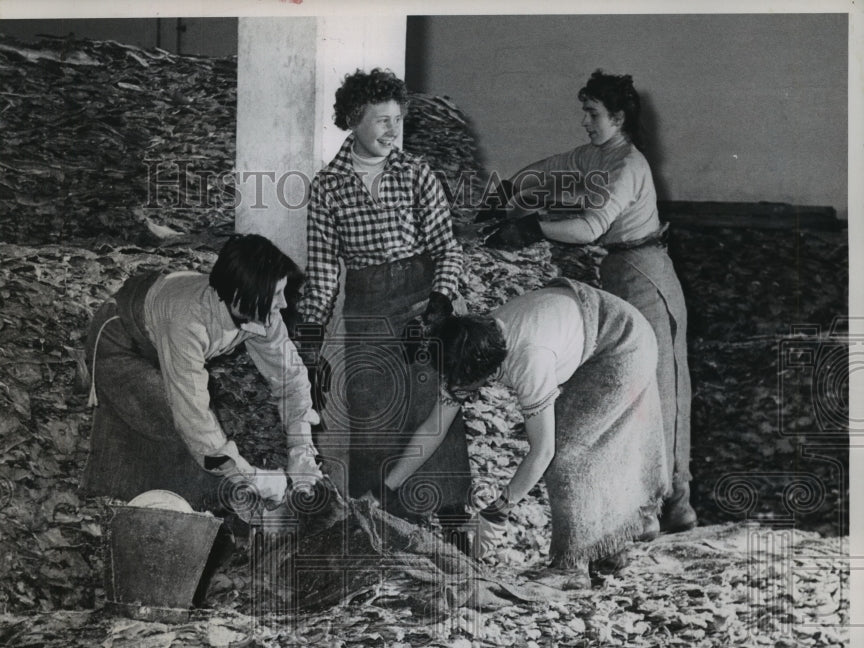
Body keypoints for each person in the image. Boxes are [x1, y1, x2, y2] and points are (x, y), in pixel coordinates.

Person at [481, 69, 696, 536]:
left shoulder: (627, 165)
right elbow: (552, 168)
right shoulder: (596, 156)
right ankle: (639, 504)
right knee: (626, 389)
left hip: (646, 275)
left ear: (618, 118)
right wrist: (506, 191)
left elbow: (590, 228)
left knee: (661, 391)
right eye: (584, 111)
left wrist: (532, 226)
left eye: (593, 113)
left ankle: (671, 505)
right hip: (618, 273)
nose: (585, 121)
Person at [383, 277, 669, 590]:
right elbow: (432, 430)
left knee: (568, 452)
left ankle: (570, 567)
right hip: (588, 326)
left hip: (621, 341)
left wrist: (498, 511)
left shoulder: (529, 360)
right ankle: (612, 550)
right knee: (582, 444)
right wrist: (388, 486)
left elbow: (542, 450)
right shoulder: (469, 345)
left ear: (491, 374)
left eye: (466, 387)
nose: (460, 392)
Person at [294, 67, 472, 537]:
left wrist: (440, 301)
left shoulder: (417, 173)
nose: (393, 131)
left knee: (434, 407)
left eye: (398, 120)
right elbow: (325, 269)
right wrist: (309, 338)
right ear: (353, 120)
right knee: (374, 415)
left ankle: (455, 526)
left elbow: (446, 246)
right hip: (368, 308)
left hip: (419, 298)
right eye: (381, 120)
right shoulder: (329, 186)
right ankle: (386, 530)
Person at [81, 233, 324, 515]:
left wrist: (301, 448)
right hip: (122, 342)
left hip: (163, 341)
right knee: (175, 425)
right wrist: (251, 478)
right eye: (276, 294)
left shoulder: (260, 310)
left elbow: (290, 378)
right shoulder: (189, 319)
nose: (283, 303)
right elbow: (193, 419)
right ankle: (176, 514)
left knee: (203, 437)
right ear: (241, 294)